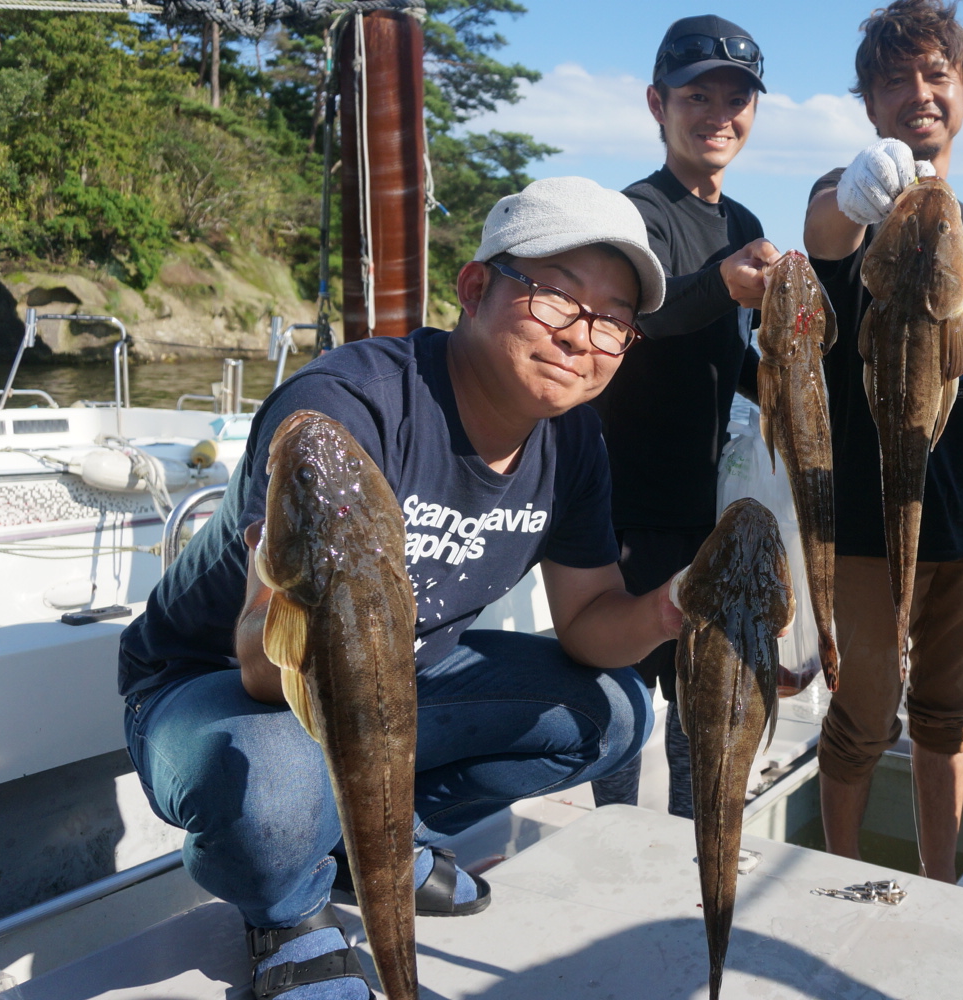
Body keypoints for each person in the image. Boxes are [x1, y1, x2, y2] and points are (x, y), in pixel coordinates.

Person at [118, 177, 684, 1000]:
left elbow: (590, 622)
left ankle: (367, 838)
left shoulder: (573, 442)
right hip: (224, 687)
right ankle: (290, 915)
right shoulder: (340, 410)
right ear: (475, 287)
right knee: (275, 789)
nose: (582, 336)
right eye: (560, 296)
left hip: (401, 679)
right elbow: (253, 660)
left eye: (615, 319)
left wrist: (672, 608)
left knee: (617, 713)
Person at [801, 0, 963, 884]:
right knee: (866, 711)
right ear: (868, 105)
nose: (918, 90)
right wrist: (853, 193)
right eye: (893, 79)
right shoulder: (857, 193)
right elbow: (824, 230)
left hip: (962, 507)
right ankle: (842, 874)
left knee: (945, 714)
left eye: (935, 72)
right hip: (871, 516)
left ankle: (939, 880)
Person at [588, 14, 779, 816]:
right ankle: (612, 839)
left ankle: (684, 856)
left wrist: (800, 401)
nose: (718, 114)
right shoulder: (637, 212)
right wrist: (722, 285)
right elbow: (645, 317)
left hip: (707, 509)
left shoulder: (744, 227)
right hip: (626, 507)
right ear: (656, 104)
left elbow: (730, 357)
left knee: (698, 702)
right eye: (697, 94)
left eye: (736, 98)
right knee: (620, 708)